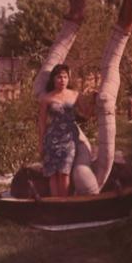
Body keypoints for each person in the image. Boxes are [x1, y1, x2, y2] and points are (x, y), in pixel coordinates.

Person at [38, 63, 95, 197]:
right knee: (53, 173)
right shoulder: (46, 98)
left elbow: (86, 114)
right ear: (53, 79)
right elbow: (42, 122)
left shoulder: (75, 95)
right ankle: (55, 204)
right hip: (51, 138)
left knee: (64, 172)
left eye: (65, 77)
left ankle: (64, 202)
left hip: (69, 139)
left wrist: (93, 100)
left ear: (68, 79)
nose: (62, 80)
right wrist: (40, 143)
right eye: (59, 77)